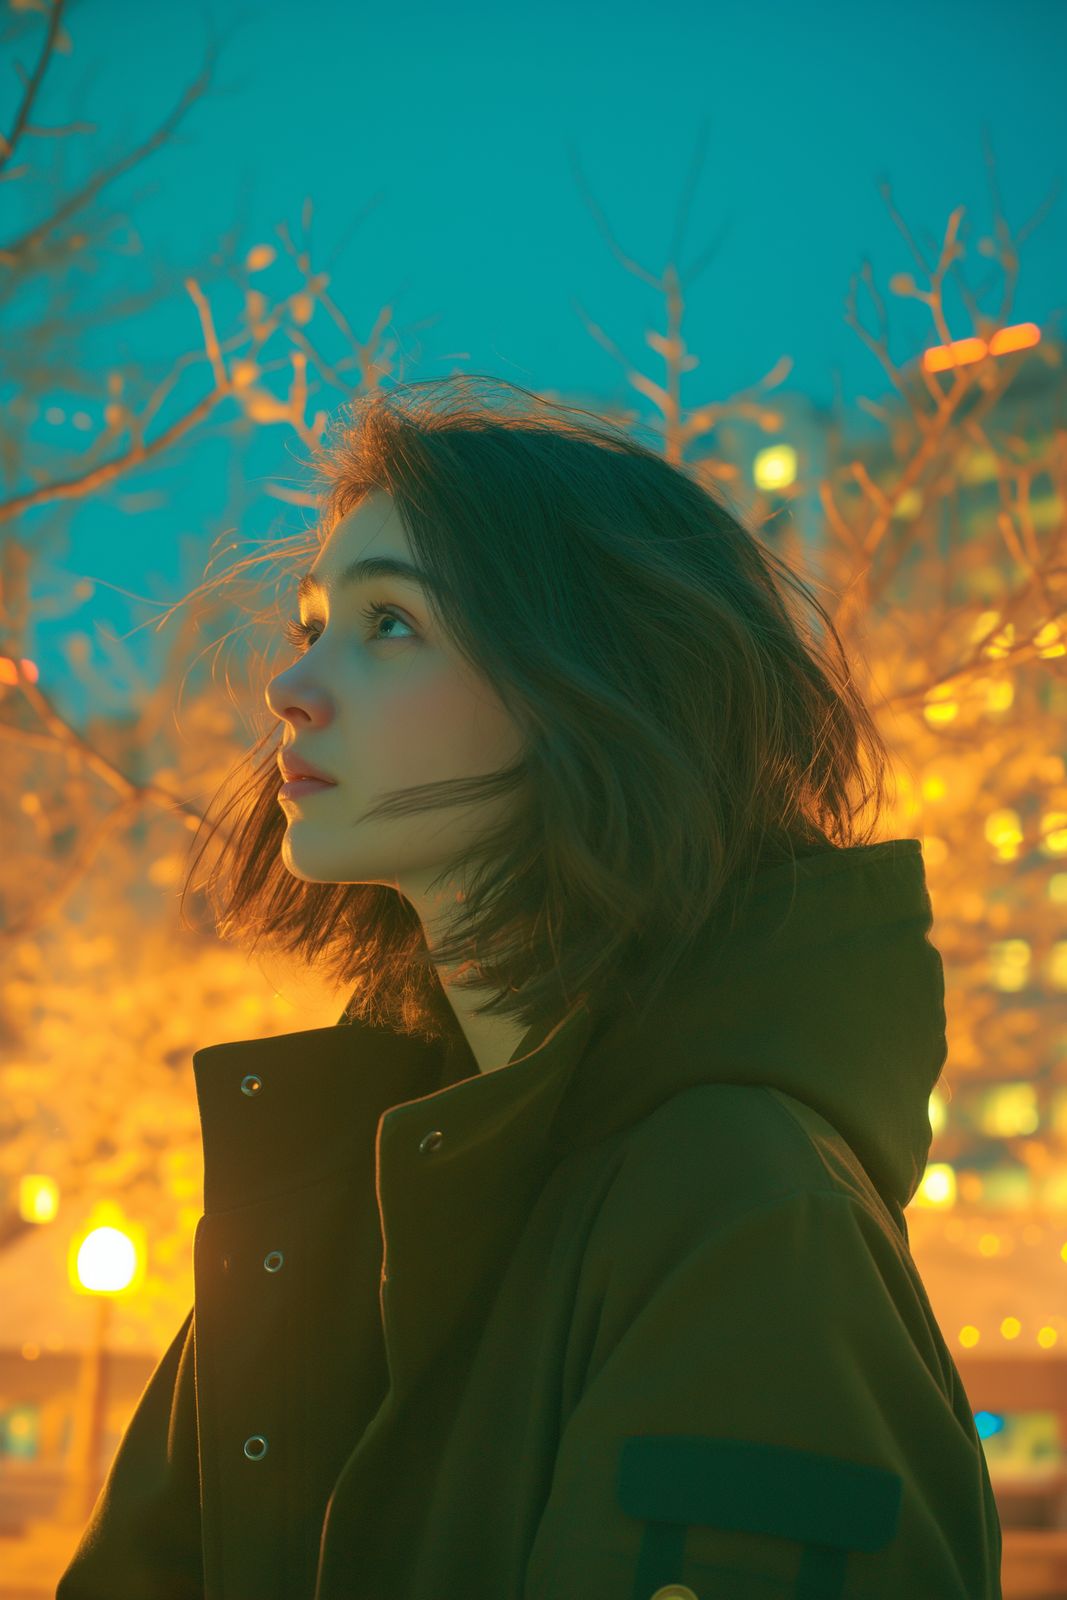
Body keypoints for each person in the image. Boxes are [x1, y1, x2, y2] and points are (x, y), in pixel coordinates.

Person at [56, 375, 1002, 1599]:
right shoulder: (344, 1184)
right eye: (310, 625)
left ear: (588, 688)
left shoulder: (743, 1207)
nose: (292, 686)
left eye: (389, 623)